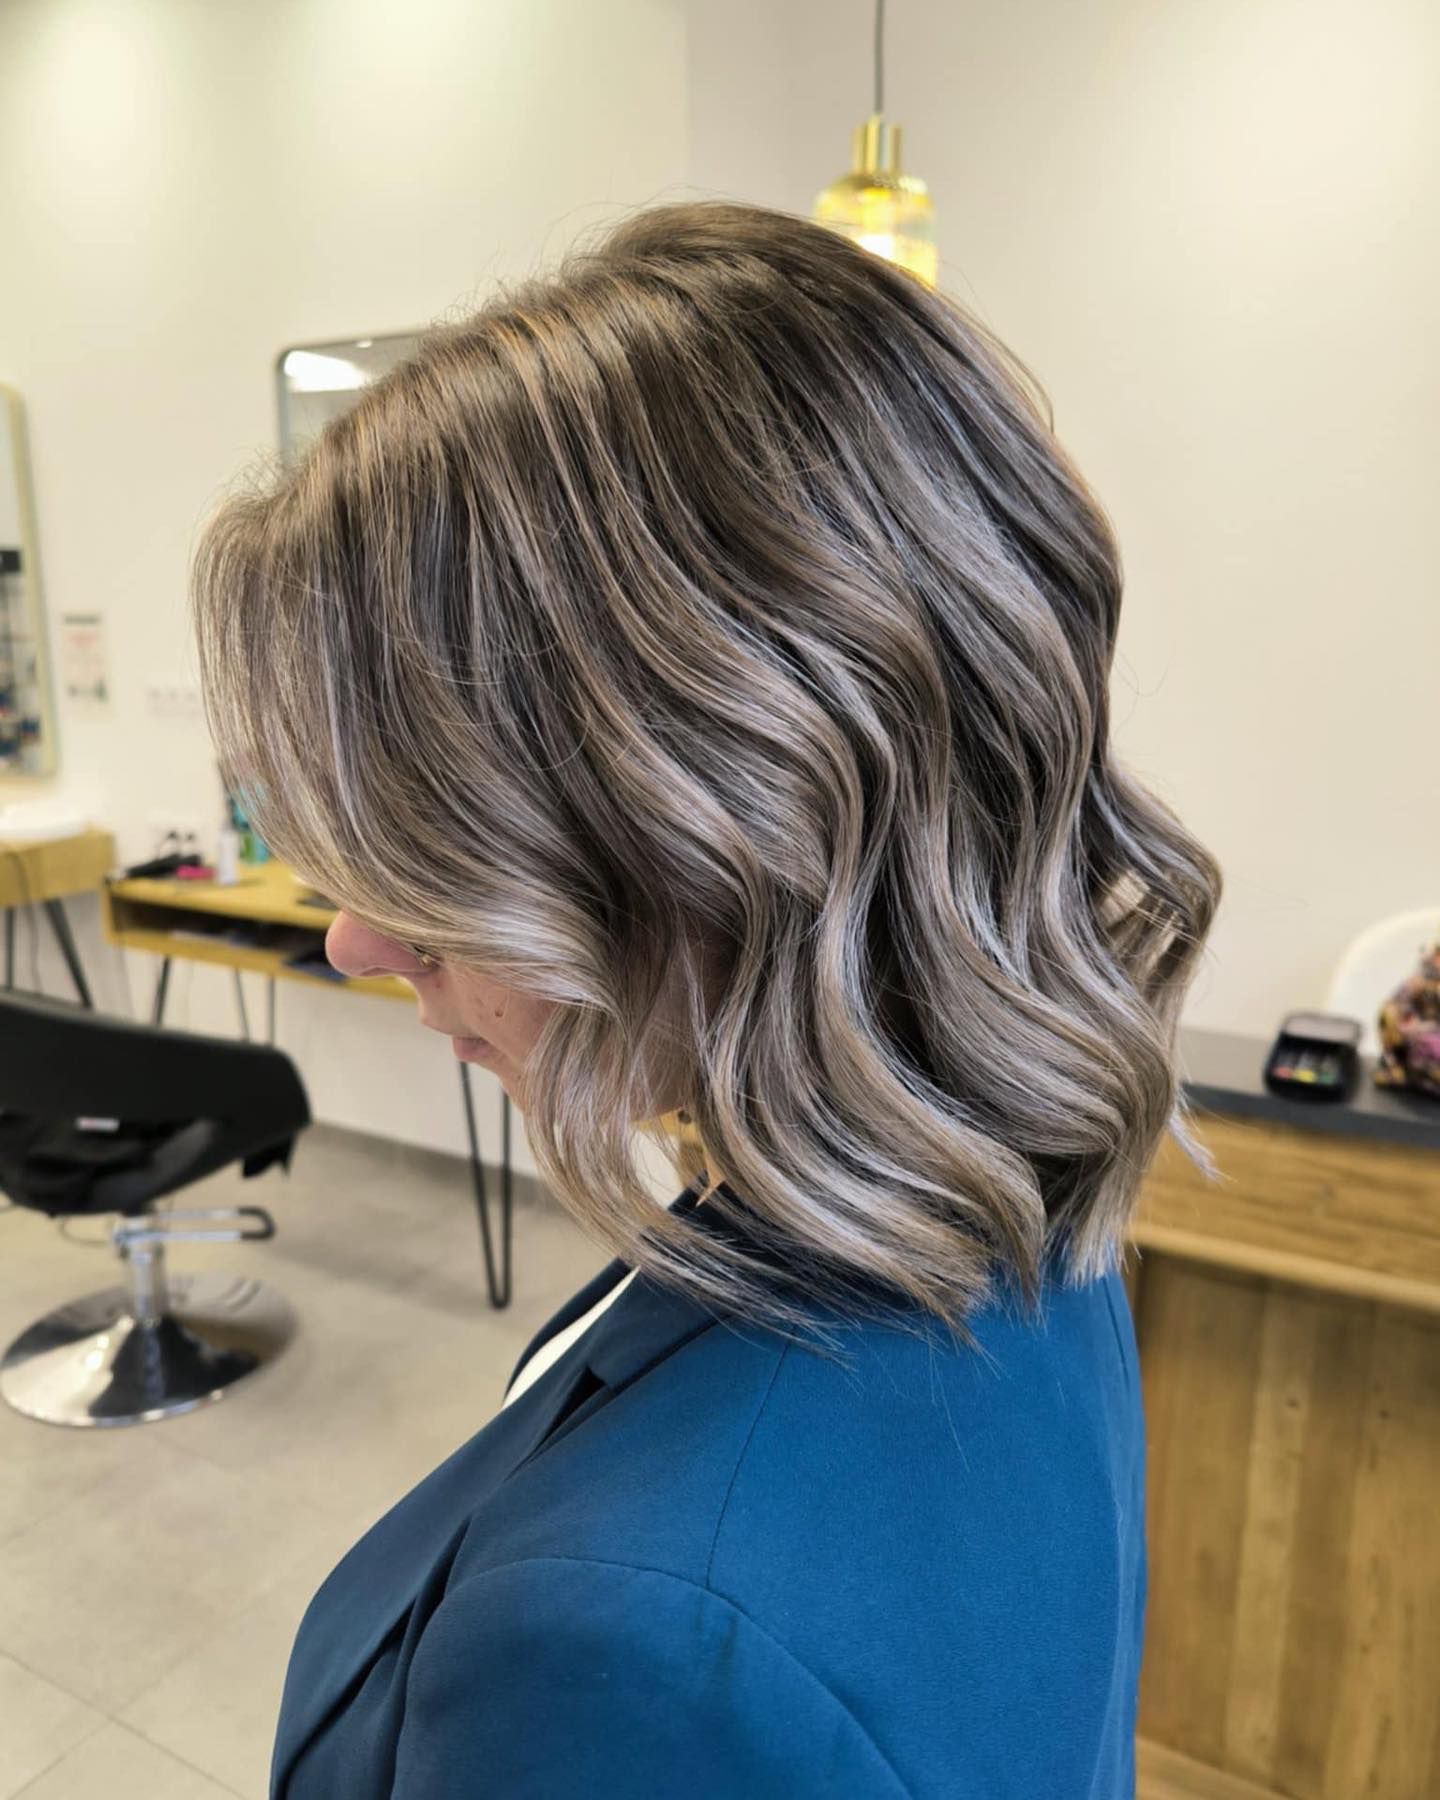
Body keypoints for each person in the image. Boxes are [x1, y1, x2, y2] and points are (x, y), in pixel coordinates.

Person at [191, 199, 1223, 1799]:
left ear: (721, 834)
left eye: (432, 862)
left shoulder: (627, 1653)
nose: (359, 945)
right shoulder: (1014, 1199)